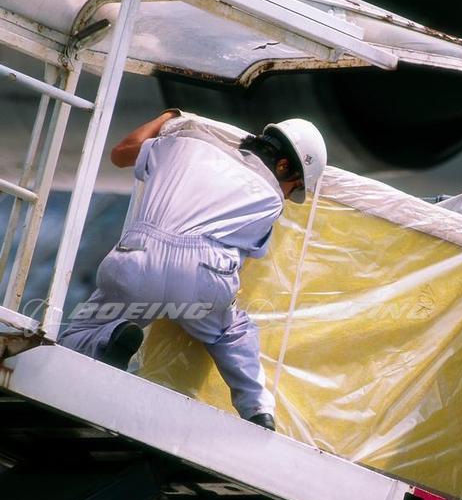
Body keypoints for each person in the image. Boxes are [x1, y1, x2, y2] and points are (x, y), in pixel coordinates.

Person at [59, 109, 327, 431]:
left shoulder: (184, 143)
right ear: (283, 166)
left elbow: (120, 154)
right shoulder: (271, 200)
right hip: (203, 276)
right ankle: (258, 410)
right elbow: (249, 257)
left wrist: (168, 116)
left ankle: (109, 340)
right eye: (293, 187)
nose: (286, 193)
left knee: (80, 331)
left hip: (138, 259)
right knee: (231, 331)